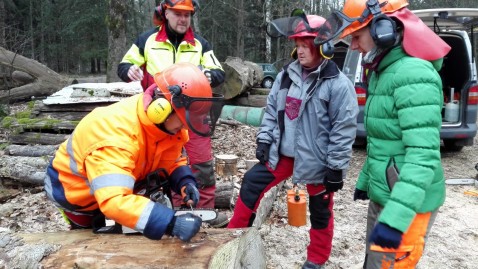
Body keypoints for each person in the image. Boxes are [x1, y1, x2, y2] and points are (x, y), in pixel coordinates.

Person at [314, 0, 450, 268]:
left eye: (356, 36)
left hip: (407, 205)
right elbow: (383, 141)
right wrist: (367, 181)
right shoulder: (383, 71)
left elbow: (423, 157)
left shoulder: (413, 74)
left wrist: (396, 218)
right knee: (374, 262)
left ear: (383, 30)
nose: (352, 45)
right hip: (388, 193)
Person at [227, 14, 359, 269]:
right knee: (252, 184)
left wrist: (336, 166)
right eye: (297, 45)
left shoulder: (338, 85)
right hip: (283, 153)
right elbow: (272, 112)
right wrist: (265, 140)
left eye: (305, 45)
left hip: (318, 160)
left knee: (321, 210)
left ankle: (317, 258)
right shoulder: (285, 76)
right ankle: (232, 239)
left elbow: (343, 130)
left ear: (323, 46)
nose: (300, 51)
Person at [44, 62, 224, 242]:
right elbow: (115, 201)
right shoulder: (115, 135)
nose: (183, 129)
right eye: (182, 122)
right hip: (75, 193)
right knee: (86, 242)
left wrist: (184, 181)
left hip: (121, 184)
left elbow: (172, 156)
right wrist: (169, 223)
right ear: (161, 108)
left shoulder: (166, 126)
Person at [117, 0, 227, 227]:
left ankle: (204, 209)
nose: (183, 19)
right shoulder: (147, 41)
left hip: (194, 113)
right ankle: (169, 211)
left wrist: (209, 75)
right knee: (163, 165)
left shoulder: (199, 44)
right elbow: (124, 65)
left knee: (202, 165)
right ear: (165, 13)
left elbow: (218, 72)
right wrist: (130, 70)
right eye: (178, 14)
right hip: (160, 116)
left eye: (187, 15)